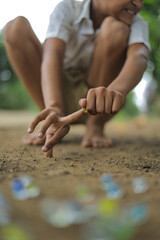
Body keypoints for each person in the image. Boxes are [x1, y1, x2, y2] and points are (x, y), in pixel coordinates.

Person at [4, 0, 150, 157]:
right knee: (15, 28)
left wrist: (117, 89)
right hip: (57, 90)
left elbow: (139, 55)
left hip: (99, 99)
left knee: (116, 29)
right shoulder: (68, 8)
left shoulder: (136, 22)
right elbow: (52, 54)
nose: (138, 4)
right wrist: (54, 105)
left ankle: (95, 125)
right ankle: (51, 119)